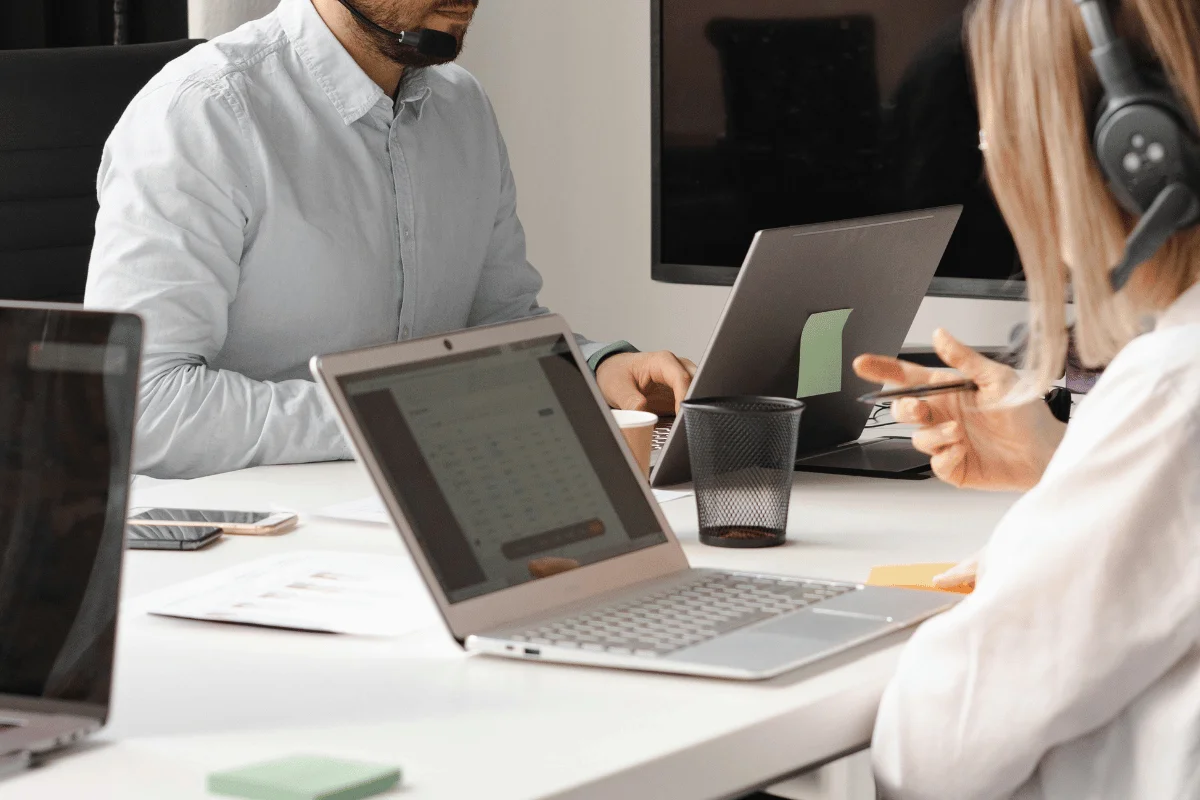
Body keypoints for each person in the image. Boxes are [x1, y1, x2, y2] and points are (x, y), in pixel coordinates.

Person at [85, 0, 695, 480]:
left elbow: (496, 322)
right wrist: (403, 417)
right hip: (257, 544)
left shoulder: (463, 108)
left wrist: (595, 370)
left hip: (426, 506)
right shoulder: (202, 114)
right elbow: (140, 408)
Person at [854, 0, 1200, 797]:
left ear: (1137, 149)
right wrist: (1064, 468)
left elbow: (932, 755)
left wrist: (1021, 555)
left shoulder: (1174, 391)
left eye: (1007, 135)